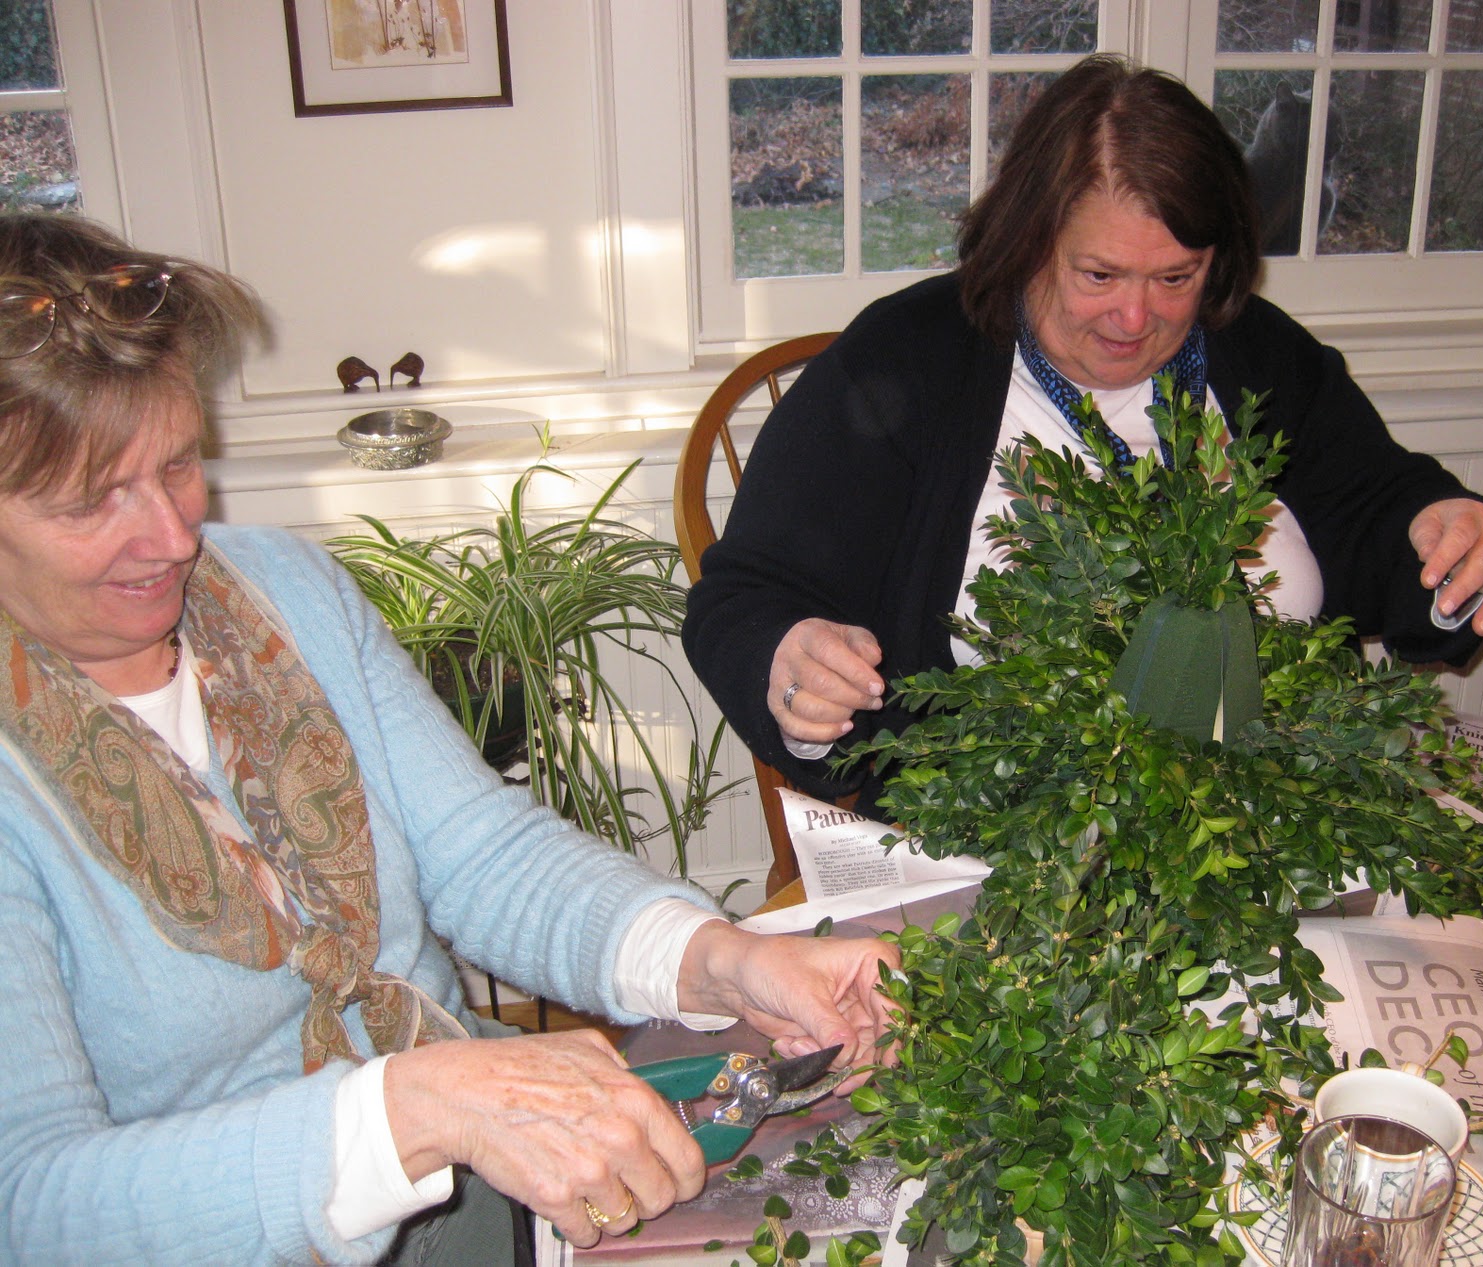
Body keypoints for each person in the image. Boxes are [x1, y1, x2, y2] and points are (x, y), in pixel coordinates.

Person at [0, 212, 898, 1266]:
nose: (172, 534)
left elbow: (481, 856)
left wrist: (722, 962)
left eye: (180, 464)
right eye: (89, 501)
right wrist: (415, 1110)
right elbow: (32, 1206)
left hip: (474, 1180)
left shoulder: (282, 588)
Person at [683, 54, 1483, 815]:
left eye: (1175, 277)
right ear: (1030, 238)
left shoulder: (1258, 355)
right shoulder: (905, 364)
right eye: (1099, 275)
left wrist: (1447, 534)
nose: (1135, 316)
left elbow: (1378, 513)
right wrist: (793, 660)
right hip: (993, 845)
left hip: (1266, 821)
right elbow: (746, 597)